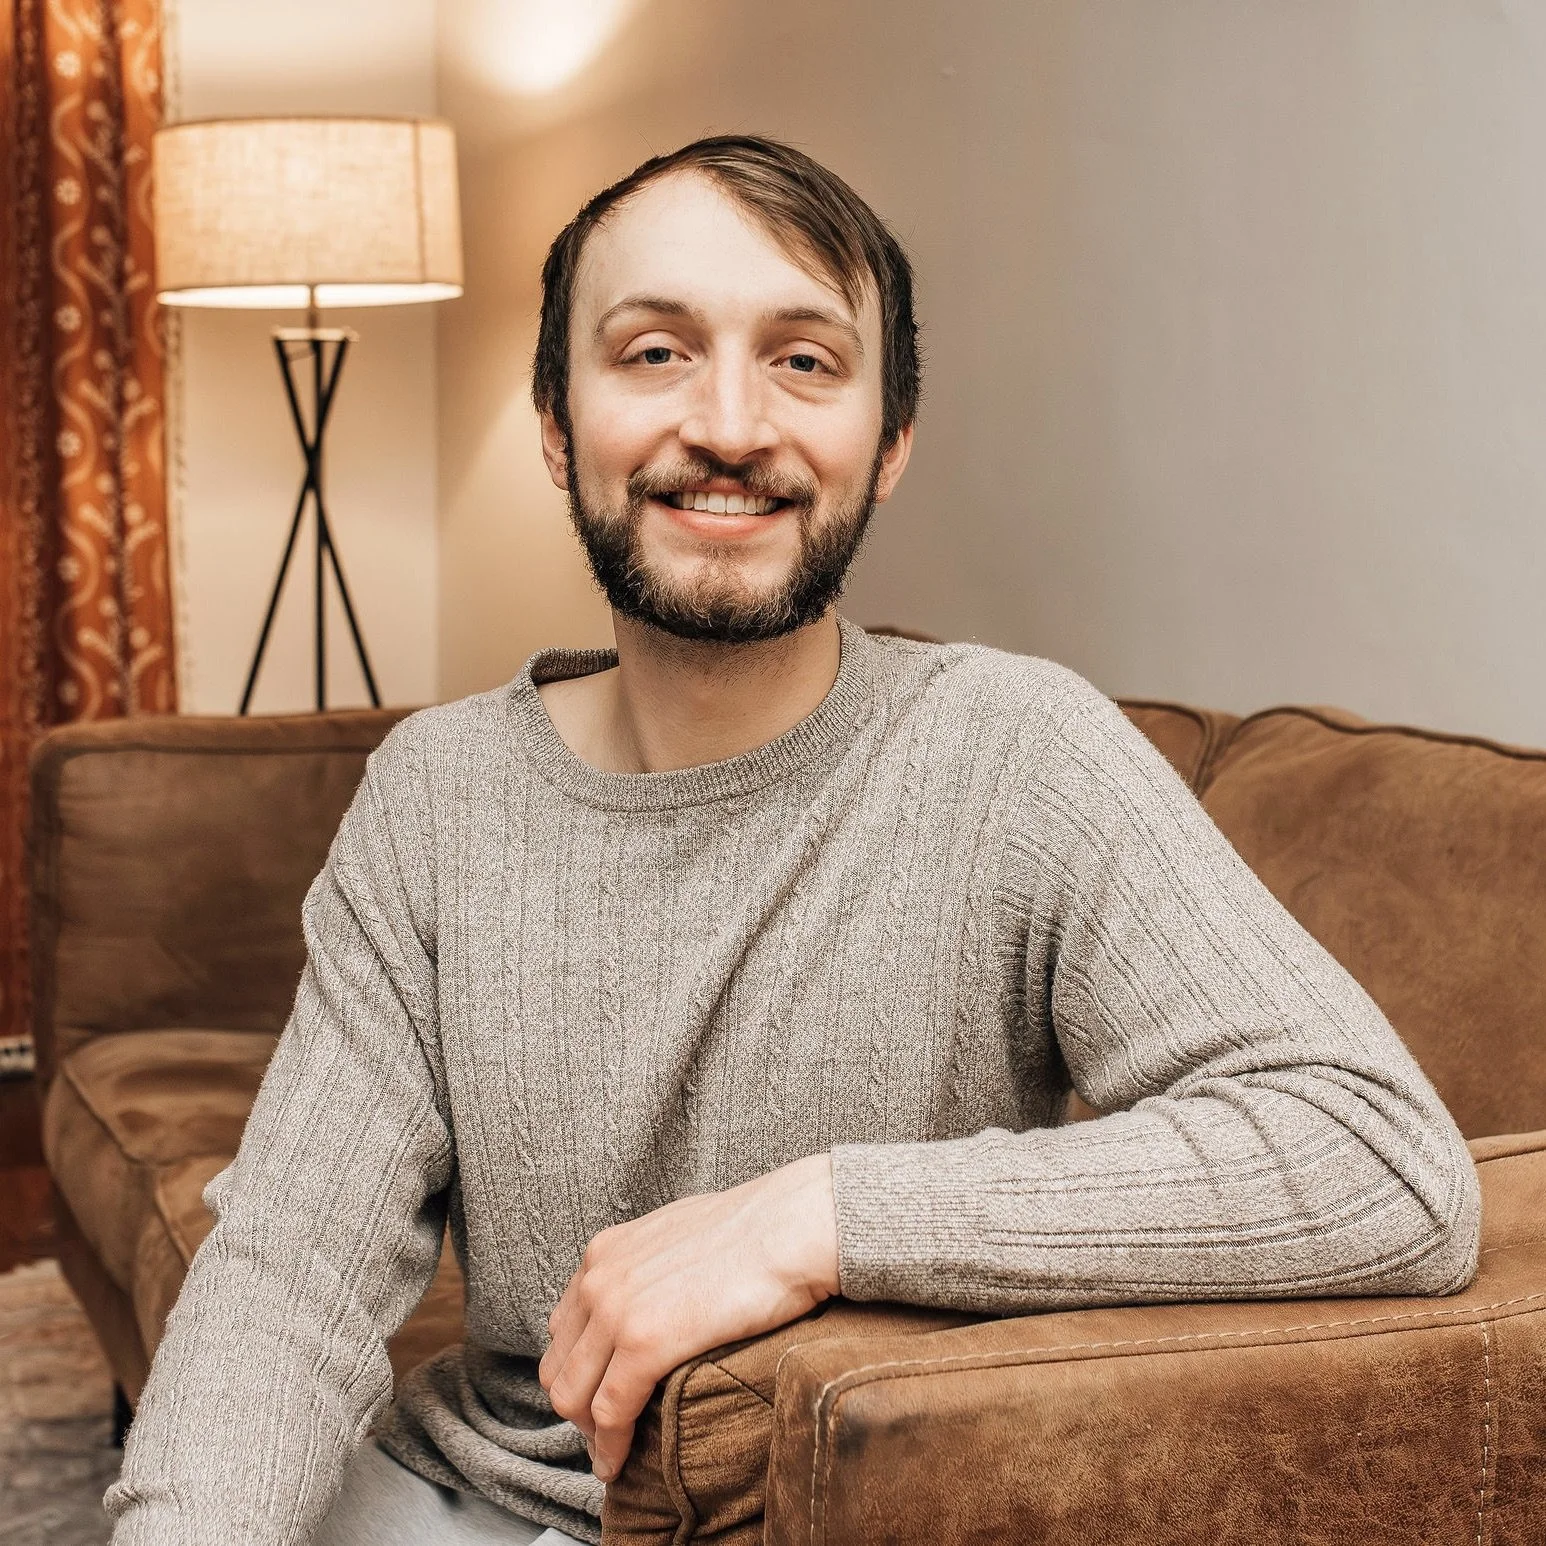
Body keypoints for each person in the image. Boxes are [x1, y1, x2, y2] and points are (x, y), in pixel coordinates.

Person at [105, 135, 1480, 1546]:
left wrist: (812, 1216)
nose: (728, 424)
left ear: (889, 443)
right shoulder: (435, 797)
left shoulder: (1017, 754)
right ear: (555, 426)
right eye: (653, 352)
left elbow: (1377, 1159)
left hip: (841, 1507)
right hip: (465, 1497)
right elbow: (287, 1276)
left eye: (804, 360)